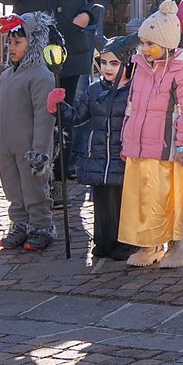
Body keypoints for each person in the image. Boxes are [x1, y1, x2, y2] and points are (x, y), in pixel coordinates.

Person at [120, 0, 183, 270]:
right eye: (142, 43)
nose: (144, 49)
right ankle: (149, 245)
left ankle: (176, 246)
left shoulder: (181, 72)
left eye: (150, 44)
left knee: (168, 199)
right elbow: (131, 106)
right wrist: (127, 140)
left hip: (166, 149)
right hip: (140, 146)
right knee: (143, 198)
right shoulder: (140, 67)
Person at [0, 14, 65, 255]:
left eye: (18, 42)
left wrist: (40, 150)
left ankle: (41, 226)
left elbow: (44, 117)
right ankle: (20, 223)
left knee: (34, 189)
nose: (11, 47)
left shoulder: (41, 76)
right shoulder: (7, 75)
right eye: (9, 42)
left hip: (30, 148)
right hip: (6, 146)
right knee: (12, 189)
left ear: (34, 42)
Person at [62, 34, 133, 265]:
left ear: (127, 64)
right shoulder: (94, 90)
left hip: (123, 157)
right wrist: (59, 107)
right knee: (102, 203)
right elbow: (77, 116)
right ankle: (103, 242)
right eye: (104, 62)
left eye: (114, 63)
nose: (108, 68)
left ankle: (124, 243)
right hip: (99, 158)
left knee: (122, 202)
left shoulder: (134, 90)